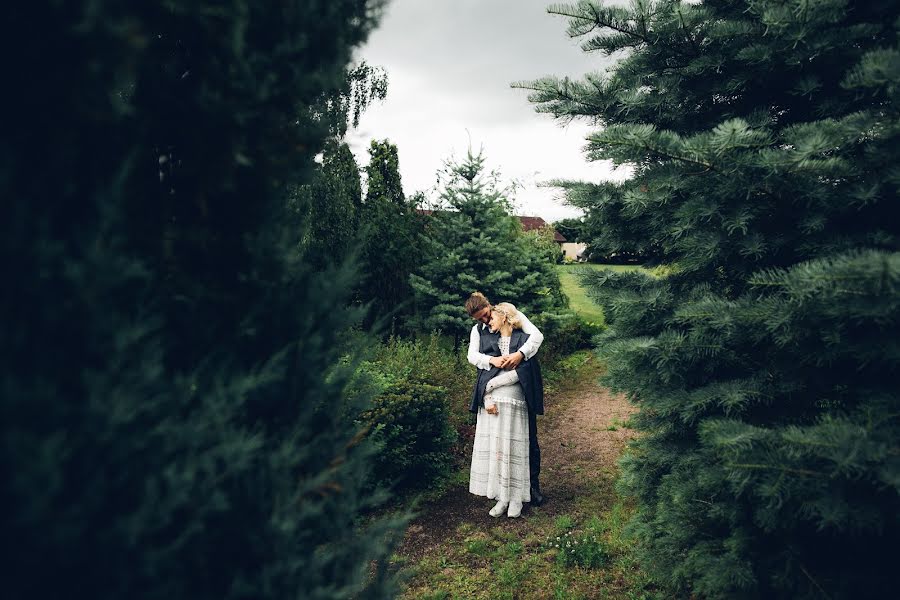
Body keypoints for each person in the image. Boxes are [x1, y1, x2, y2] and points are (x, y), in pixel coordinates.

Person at [465, 292, 545, 507]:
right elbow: (472, 356)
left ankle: (531, 486)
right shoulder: (477, 331)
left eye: (485, 315)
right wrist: (492, 359)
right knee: (497, 441)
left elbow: (537, 337)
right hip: (493, 379)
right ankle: (500, 489)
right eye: (479, 319)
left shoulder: (513, 315)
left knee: (528, 437)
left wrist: (520, 354)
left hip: (521, 382)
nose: (484, 321)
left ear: (489, 306)